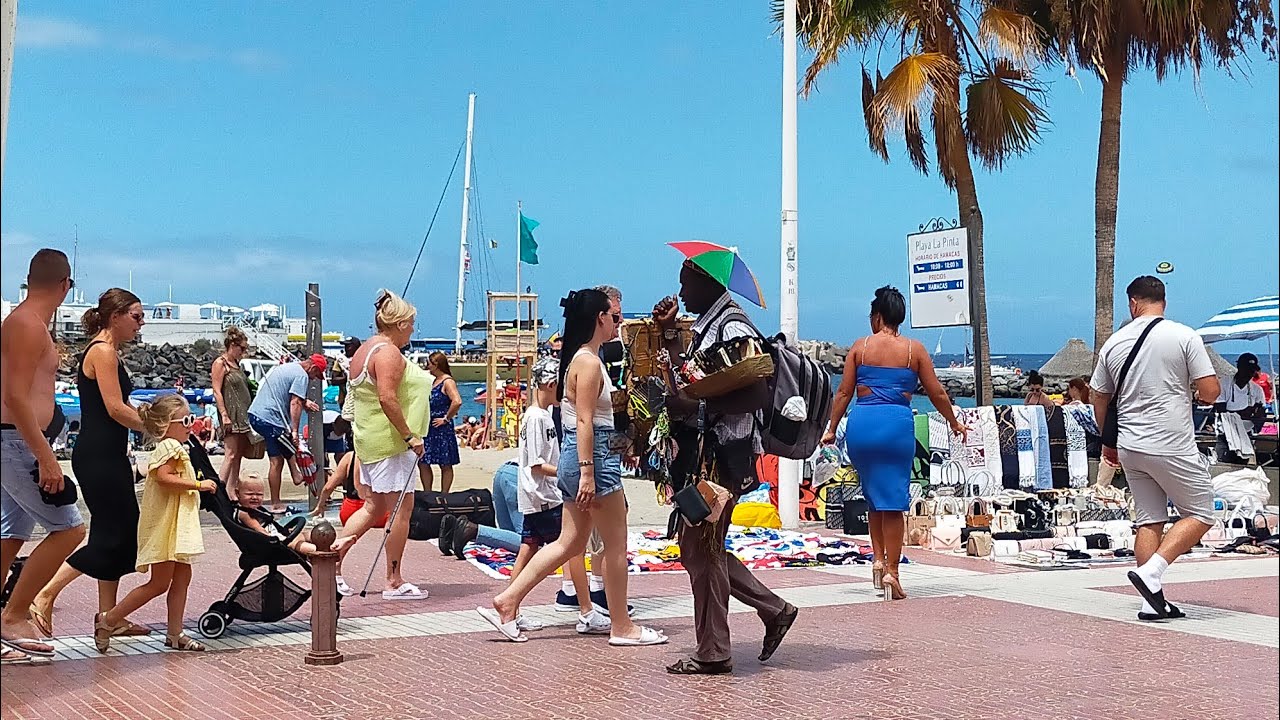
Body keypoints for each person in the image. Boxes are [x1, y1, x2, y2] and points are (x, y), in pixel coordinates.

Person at [478, 289, 662, 645]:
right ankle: (622, 626)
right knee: (614, 545)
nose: (618, 321)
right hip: (593, 462)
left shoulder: (578, 359)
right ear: (599, 319)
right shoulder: (590, 363)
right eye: (613, 315)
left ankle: (508, 599)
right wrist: (590, 471)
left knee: (569, 542)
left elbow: (580, 419)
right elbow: (585, 423)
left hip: (578, 460)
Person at [651, 260, 794, 675]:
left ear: (707, 282)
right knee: (700, 548)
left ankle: (715, 651)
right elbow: (695, 378)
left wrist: (695, 406)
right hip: (708, 454)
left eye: (685, 284)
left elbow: (755, 393)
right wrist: (668, 331)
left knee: (704, 547)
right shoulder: (710, 325)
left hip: (721, 457)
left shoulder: (733, 326)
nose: (680, 293)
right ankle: (772, 610)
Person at [823, 286, 966, 601]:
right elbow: (937, 393)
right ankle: (893, 571)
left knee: (874, 497)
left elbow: (843, 394)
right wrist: (954, 422)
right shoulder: (914, 351)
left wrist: (832, 428)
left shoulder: (860, 348)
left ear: (877, 317)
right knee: (895, 501)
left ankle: (877, 561)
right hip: (896, 427)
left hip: (863, 427)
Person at [1090, 275, 1220, 621]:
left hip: (1130, 446)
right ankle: (1153, 572)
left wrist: (1108, 440)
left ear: (1133, 303)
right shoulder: (1183, 335)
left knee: (1149, 521)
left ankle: (1152, 603)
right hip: (1171, 443)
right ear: (1163, 301)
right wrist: (1189, 392)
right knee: (1203, 512)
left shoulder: (1114, 343)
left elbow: (1099, 396)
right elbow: (1210, 392)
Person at [29, 288, 153, 645]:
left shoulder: (106, 351)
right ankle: (47, 593)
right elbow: (115, 408)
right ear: (115, 316)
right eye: (137, 316)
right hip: (100, 455)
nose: (141, 323)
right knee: (120, 533)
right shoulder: (103, 352)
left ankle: (107, 618)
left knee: (111, 534)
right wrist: (155, 428)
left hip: (106, 453)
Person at [0, 250, 86, 663]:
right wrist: (46, 458)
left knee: (10, 534)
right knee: (70, 530)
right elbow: (14, 397)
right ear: (65, 285)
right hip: (17, 442)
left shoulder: (30, 323)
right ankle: (14, 613)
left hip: (16, 440)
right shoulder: (26, 325)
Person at [93, 394, 216, 653]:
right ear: (166, 425)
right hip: (165, 526)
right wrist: (198, 485)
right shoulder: (170, 446)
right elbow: (163, 477)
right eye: (186, 420)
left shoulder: (175, 447)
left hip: (175, 525)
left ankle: (175, 633)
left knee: (182, 577)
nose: (191, 426)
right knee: (159, 583)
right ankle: (109, 620)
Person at [331, 291, 430, 601]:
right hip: (390, 443)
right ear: (399, 323)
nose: (414, 329)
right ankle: (394, 580)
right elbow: (387, 397)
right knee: (401, 509)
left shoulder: (364, 350)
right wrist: (409, 436)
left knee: (373, 506)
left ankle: (331, 565)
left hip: (370, 440)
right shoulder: (387, 354)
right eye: (411, 323)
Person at [247, 354, 326, 513]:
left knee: (284, 445)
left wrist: (305, 402)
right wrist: (295, 430)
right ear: (313, 368)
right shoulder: (302, 376)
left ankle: (296, 474)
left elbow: (284, 392)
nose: (314, 379)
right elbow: (294, 402)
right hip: (268, 418)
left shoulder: (290, 367)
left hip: (258, 414)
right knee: (277, 460)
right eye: (316, 375)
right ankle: (276, 503)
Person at [211, 326, 253, 500]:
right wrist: (224, 414)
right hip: (231, 413)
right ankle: (219, 489)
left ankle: (231, 489)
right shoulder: (221, 363)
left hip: (242, 414)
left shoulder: (237, 364)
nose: (243, 352)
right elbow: (216, 390)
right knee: (230, 453)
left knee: (238, 454)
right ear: (233, 345)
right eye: (242, 348)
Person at [419, 352, 462, 492]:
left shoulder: (447, 381)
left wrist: (446, 418)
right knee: (423, 461)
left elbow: (457, 401)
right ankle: (428, 492)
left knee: (445, 463)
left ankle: (445, 494)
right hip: (428, 426)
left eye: (429, 363)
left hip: (441, 427)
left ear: (436, 364)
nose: (427, 366)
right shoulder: (432, 380)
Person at [1216, 352, 1267, 434]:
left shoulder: (1257, 389)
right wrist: (1243, 412)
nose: (1249, 374)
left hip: (1247, 431)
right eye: (1246, 370)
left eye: (1252, 371)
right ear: (1238, 367)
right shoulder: (1224, 383)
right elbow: (1221, 410)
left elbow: (1261, 413)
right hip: (1225, 430)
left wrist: (1258, 417)